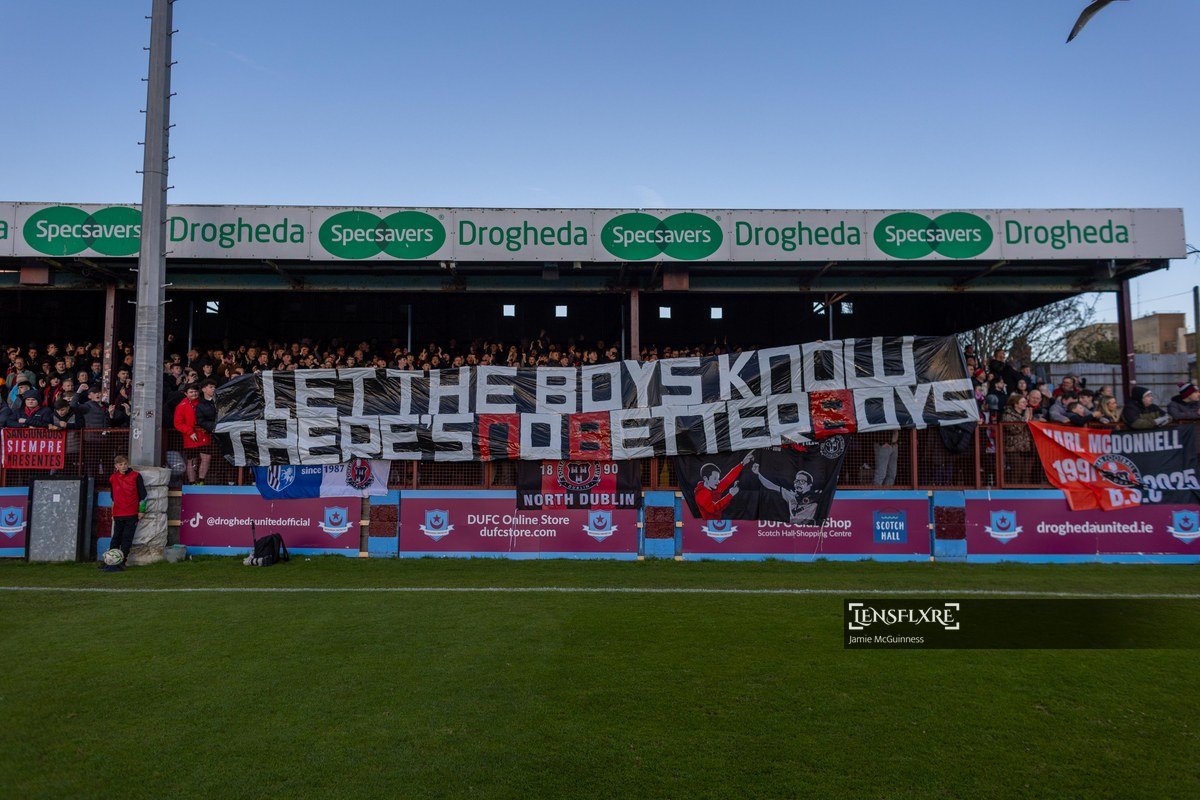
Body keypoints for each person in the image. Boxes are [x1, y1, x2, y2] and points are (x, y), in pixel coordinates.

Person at [106, 455, 147, 570]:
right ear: (116, 466)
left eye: (125, 464)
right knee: (116, 538)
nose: (123, 466)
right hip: (118, 513)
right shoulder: (113, 478)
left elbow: (143, 495)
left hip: (131, 512)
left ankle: (122, 562)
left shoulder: (136, 476)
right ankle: (111, 561)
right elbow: (113, 496)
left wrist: (141, 511)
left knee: (126, 538)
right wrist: (112, 512)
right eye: (120, 464)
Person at [752, 462, 822, 525]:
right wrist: (758, 474)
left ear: (809, 485)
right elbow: (771, 486)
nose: (798, 484)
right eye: (797, 481)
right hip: (793, 529)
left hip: (810, 530)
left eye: (802, 481)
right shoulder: (790, 495)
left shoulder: (817, 496)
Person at [173, 384, 212, 484]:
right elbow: (178, 423)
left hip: (204, 434)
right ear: (185, 393)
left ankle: (201, 480)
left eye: (195, 391)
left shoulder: (204, 402)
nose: (194, 394)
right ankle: (192, 482)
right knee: (192, 460)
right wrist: (189, 432)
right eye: (191, 392)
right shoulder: (181, 406)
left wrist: (207, 427)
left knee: (206, 458)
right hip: (190, 436)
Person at [694, 453, 752, 519]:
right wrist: (730, 495)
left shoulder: (713, 487)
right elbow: (713, 509)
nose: (718, 481)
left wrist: (742, 463)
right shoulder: (701, 493)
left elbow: (729, 478)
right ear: (705, 478)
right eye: (715, 478)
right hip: (709, 526)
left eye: (718, 479)